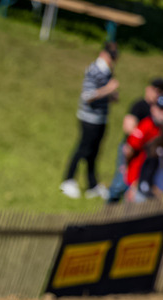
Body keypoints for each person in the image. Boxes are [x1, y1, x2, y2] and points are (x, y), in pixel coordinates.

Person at [60, 42, 120, 200]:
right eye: (111, 56)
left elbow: (104, 93)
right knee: (82, 149)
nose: (113, 60)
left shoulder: (108, 71)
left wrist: (112, 95)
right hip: (89, 119)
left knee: (94, 153)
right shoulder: (94, 70)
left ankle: (92, 184)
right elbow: (87, 95)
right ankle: (68, 180)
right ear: (103, 54)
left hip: (101, 118)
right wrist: (108, 89)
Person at [107, 77, 163, 203]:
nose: (156, 93)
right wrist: (141, 134)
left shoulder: (158, 112)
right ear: (148, 89)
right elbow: (128, 127)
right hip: (132, 149)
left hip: (145, 154)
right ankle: (108, 210)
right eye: (155, 90)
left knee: (134, 187)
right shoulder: (140, 106)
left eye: (160, 91)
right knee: (121, 182)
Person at [122, 95, 163, 201]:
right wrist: (128, 169)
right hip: (137, 177)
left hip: (152, 177)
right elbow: (130, 148)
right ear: (154, 110)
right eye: (161, 110)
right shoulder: (146, 125)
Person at [127, 121, 163, 203]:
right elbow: (146, 182)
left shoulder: (161, 151)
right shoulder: (156, 153)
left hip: (148, 196)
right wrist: (161, 196)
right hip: (144, 199)